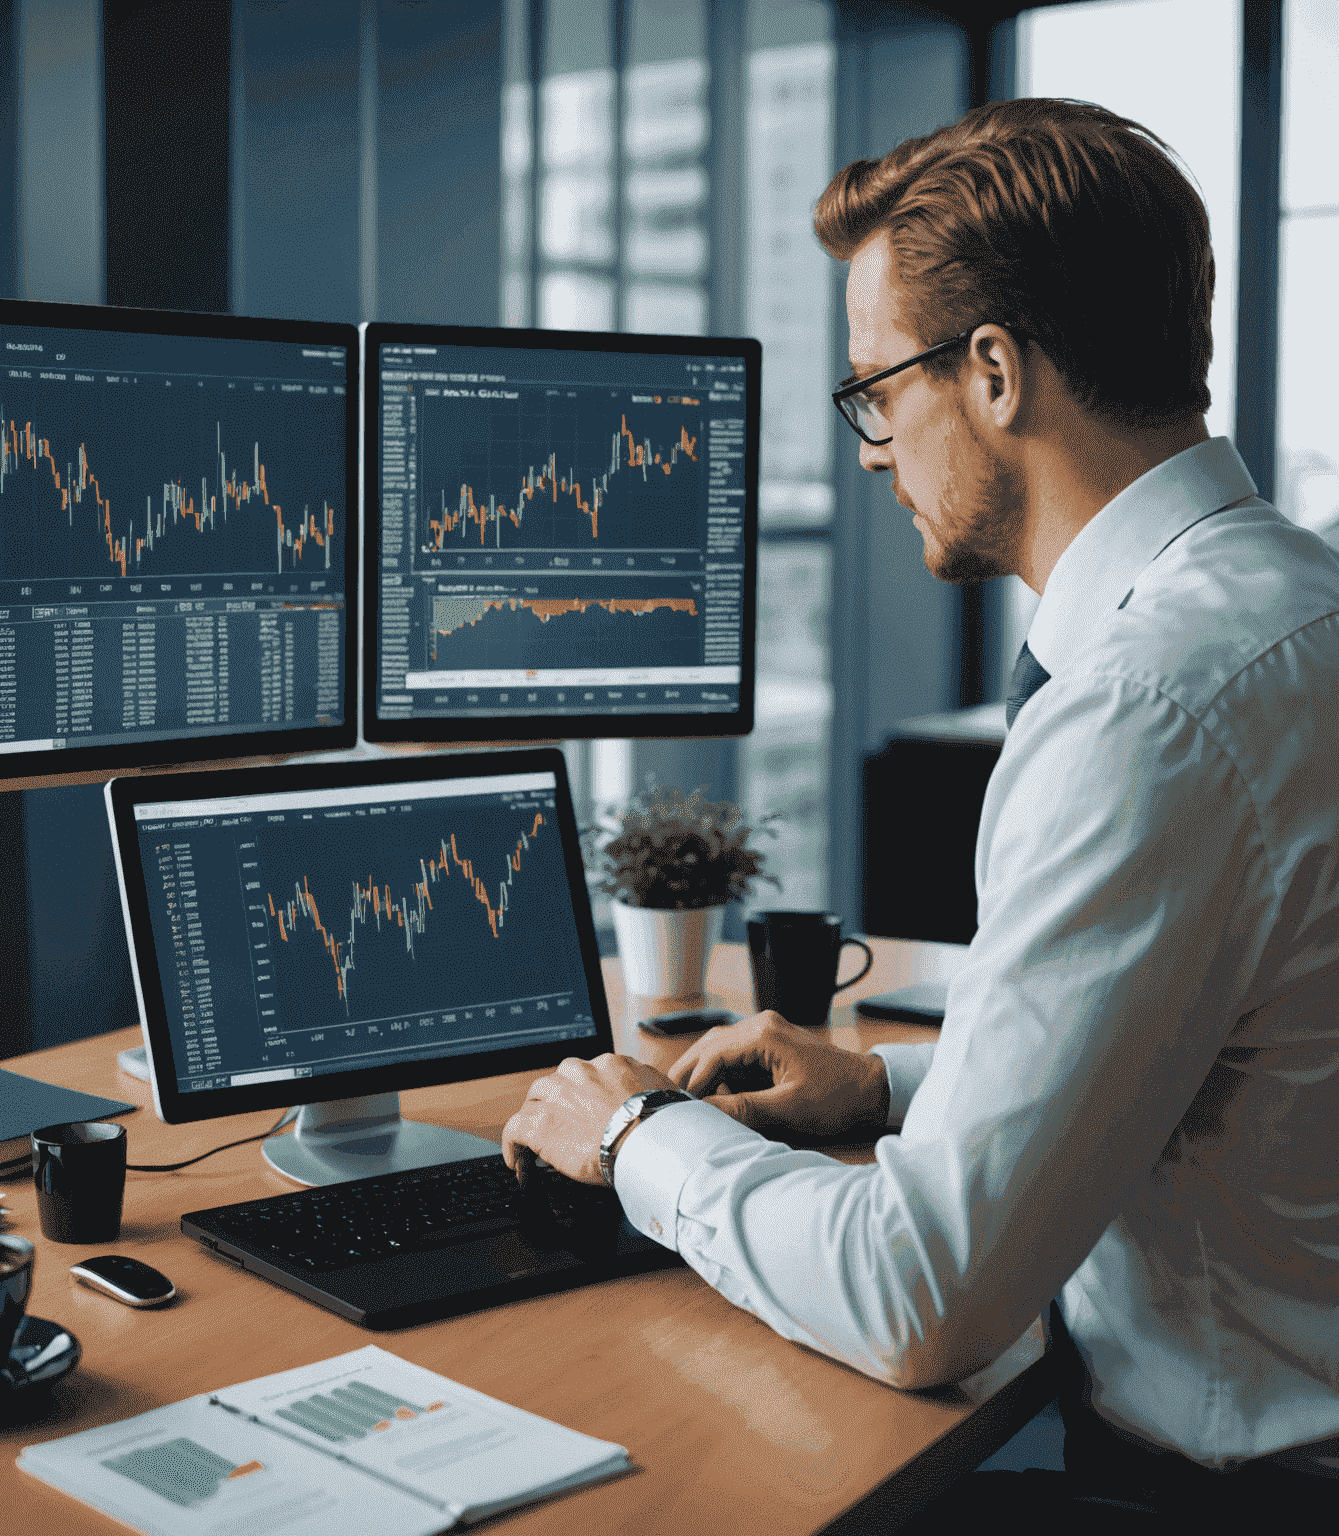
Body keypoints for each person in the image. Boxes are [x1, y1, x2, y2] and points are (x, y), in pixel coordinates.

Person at [502, 97, 1339, 1528]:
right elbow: (1232, 1065)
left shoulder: (1147, 714)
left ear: (996, 372)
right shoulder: (1295, 607)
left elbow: (921, 1298)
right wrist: (895, 1090)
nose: (873, 450)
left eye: (876, 392)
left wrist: (638, 1135)